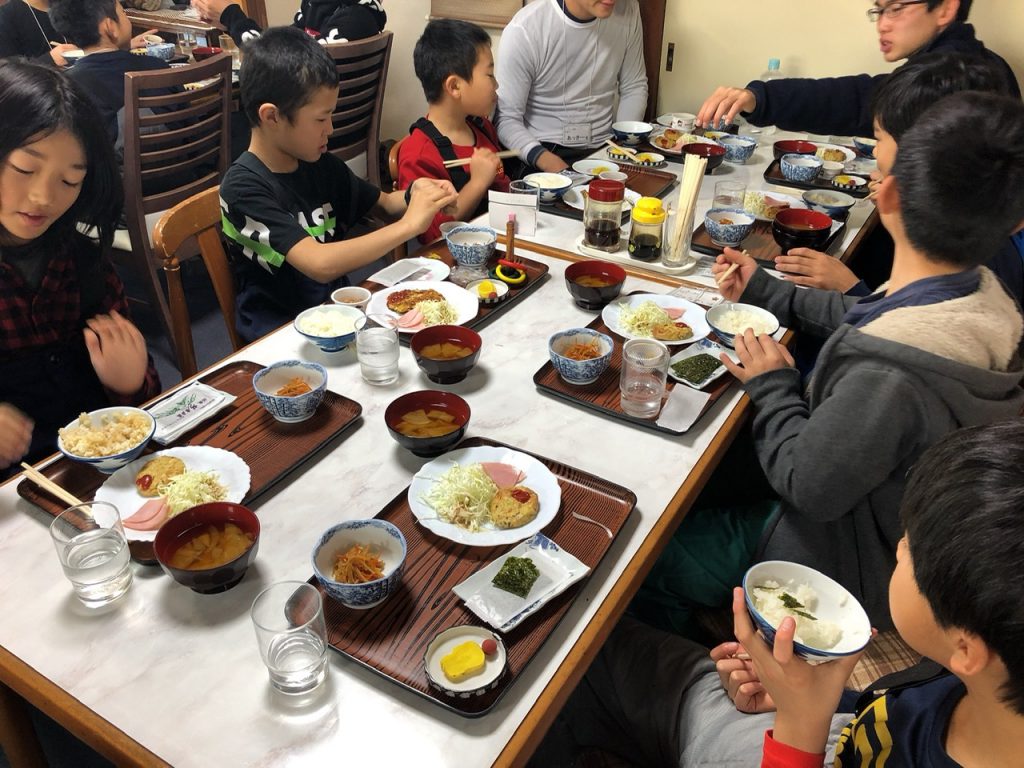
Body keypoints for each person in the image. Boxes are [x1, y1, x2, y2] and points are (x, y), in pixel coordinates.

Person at [631, 90, 1024, 637]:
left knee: (652, 556)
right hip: (895, 515)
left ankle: (698, 651)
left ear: (888, 196)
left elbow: (808, 487)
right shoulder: (979, 295)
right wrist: (769, 292)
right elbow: (870, 313)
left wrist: (775, 385)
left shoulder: (890, 375)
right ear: (1015, 224)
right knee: (700, 470)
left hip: (854, 558)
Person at [536, 420, 1024, 768]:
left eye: (911, 550)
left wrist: (800, 724)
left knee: (570, 663)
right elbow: (887, 722)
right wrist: (816, 697)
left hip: (803, 744)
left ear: (967, 648)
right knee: (595, 648)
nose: (898, 547)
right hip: (831, 723)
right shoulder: (979, 683)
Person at [220, 27, 457, 343]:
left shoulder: (319, 164)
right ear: (272, 117)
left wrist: (420, 194)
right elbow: (319, 264)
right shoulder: (243, 187)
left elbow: (386, 205)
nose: (330, 129)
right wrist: (410, 226)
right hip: (280, 335)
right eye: (321, 119)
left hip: (338, 318)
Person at [0, 60, 160, 476]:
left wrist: (129, 383)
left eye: (69, 181)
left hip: (94, 478)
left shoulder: (83, 263)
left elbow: (140, 411)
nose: (42, 197)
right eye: (24, 169)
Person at [771, 53, 1024, 310]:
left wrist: (849, 287)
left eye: (879, 138)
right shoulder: (987, 214)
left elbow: (910, 321)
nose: (876, 151)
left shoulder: (973, 257)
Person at [696, 0, 1019, 138]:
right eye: (878, 10)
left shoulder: (950, 79)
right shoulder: (983, 62)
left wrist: (762, 98)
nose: (882, 24)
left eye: (895, 9)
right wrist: (760, 97)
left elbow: (855, 101)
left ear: (946, 9)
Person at [494, 0, 647, 172]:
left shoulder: (627, 9)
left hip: (606, 147)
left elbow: (634, 86)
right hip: (545, 151)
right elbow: (506, 118)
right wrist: (546, 160)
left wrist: (623, 144)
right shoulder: (526, 28)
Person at [398, 19, 510, 244]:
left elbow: (504, 190)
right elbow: (432, 234)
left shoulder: (482, 128)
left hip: (498, 240)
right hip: (452, 256)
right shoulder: (418, 153)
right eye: (489, 75)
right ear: (455, 86)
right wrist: (477, 183)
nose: (496, 85)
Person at [50, 0, 174, 151]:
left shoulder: (67, 86)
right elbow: (190, 125)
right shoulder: (157, 67)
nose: (127, 19)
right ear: (110, 27)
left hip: (113, 167)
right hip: (181, 164)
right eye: (123, 13)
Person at [190, 0, 385, 48]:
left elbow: (275, 60)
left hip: (317, 127)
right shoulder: (317, 5)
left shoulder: (357, 17)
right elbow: (279, 43)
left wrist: (232, 16)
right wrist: (227, 24)